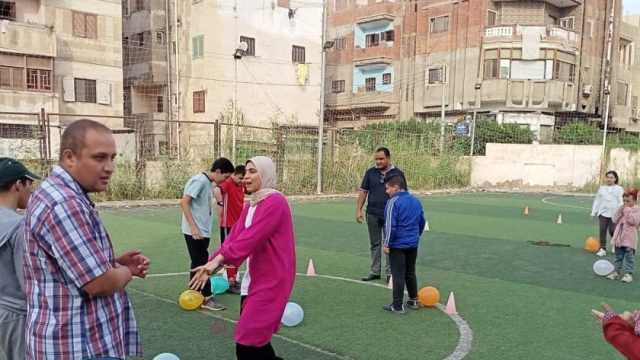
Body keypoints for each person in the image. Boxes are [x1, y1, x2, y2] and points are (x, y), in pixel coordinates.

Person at [23, 119, 150, 360]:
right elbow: (98, 282)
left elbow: (63, 267)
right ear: (70, 157)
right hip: (77, 345)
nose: (110, 167)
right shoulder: (64, 203)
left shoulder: (59, 193)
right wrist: (127, 271)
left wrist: (111, 262)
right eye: (100, 158)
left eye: (113, 157)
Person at [190, 156, 295, 360]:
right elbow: (235, 237)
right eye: (246, 172)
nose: (246, 176)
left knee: (247, 343)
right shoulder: (252, 204)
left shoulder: (275, 201)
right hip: (254, 279)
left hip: (273, 280)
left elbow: (250, 239)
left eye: (253, 171)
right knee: (257, 343)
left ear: (265, 174)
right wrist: (212, 260)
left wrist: (216, 262)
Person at [180, 157, 234, 310]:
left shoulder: (207, 182)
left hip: (202, 231)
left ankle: (194, 294)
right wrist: (194, 228)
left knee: (198, 263)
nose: (225, 181)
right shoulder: (200, 181)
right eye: (225, 177)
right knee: (203, 264)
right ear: (217, 171)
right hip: (195, 232)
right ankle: (206, 297)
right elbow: (184, 202)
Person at [0, 158, 39, 360]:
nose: (31, 189)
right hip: (17, 316)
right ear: (17, 184)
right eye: (29, 183)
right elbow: (29, 283)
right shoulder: (19, 226)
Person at [356, 147, 406, 282]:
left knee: (390, 244)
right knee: (375, 243)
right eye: (376, 159)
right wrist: (358, 210)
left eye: (381, 159)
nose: (378, 162)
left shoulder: (398, 174)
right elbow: (363, 192)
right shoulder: (370, 173)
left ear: (388, 158)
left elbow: (403, 195)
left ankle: (390, 273)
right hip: (372, 213)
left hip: (391, 216)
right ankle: (375, 271)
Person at [382, 175, 425, 314]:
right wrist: (415, 236)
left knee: (398, 274)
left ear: (396, 187)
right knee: (410, 272)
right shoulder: (415, 200)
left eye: (388, 188)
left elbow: (390, 226)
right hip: (413, 243)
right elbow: (421, 222)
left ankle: (397, 305)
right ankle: (414, 299)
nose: (387, 191)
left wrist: (387, 243)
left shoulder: (393, 202)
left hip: (398, 245)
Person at [214, 165, 246, 294]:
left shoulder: (240, 185)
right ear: (234, 175)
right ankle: (230, 281)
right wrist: (221, 203)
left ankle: (232, 279)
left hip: (238, 224)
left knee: (237, 253)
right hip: (228, 224)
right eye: (240, 178)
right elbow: (216, 190)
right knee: (229, 253)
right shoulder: (228, 183)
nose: (242, 180)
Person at [606, 189, 640, 283]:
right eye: (624, 201)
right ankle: (616, 272)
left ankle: (628, 274)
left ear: (634, 201)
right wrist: (620, 209)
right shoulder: (623, 209)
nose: (625, 203)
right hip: (619, 239)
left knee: (629, 258)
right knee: (618, 257)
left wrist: (627, 211)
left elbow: (634, 221)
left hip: (630, 239)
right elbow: (614, 219)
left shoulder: (637, 210)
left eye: (628, 201)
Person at [592, 171, 625, 257]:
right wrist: (593, 211)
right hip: (603, 213)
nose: (609, 179)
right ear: (605, 178)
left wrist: (621, 211)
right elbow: (597, 200)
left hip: (615, 213)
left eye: (611, 177)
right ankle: (602, 249)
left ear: (615, 179)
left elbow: (621, 201)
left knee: (613, 230)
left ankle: (615, 245)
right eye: (608, 177)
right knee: (602, 230)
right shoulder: (602, 188)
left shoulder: (619, 189)